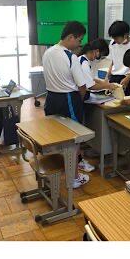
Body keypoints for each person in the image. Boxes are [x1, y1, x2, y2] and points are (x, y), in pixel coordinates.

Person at [42, 21, 91, 188]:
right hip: (68, 99)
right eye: (79, 40)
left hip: (51, 98)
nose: (79, 44)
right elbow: (82, 86)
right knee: (74, 139)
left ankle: (59, 170)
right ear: (71, 37)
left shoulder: (48, 52)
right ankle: (74, 178)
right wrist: (80, 100)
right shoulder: (71, 57)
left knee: (56, 136)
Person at [77, 43, 119, 173]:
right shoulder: (84, 62)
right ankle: (78, 160)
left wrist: (105, 83)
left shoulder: (81, 59)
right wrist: (108, 86)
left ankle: (83, 153)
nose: (98, 58)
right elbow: (90, 86)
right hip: (80, 98)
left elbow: (92, 79)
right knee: (78, 130)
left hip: (79, 97)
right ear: (96, 51)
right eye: (99, 55)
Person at [107, 20, 130, 95]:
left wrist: (128, 78)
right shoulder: (112, 43)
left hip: (129, 78)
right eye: (113, 38)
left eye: (116, 38)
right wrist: (108, 74)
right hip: (114, 77)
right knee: (112, 100)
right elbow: (113, 61)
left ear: (125, 35)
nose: (115, 40)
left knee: (127, 100)